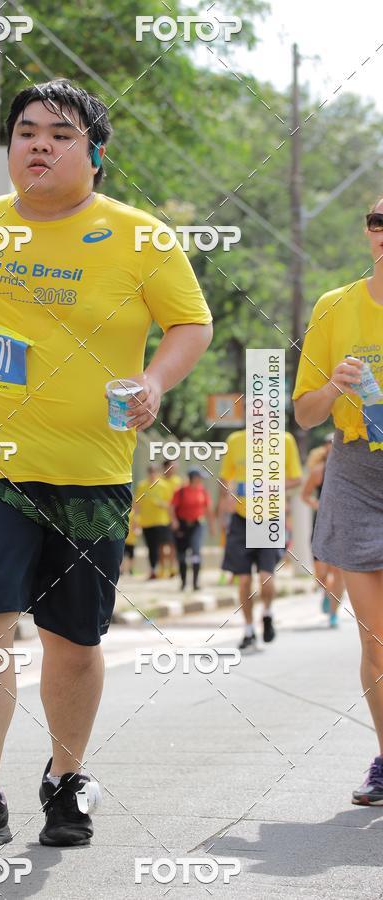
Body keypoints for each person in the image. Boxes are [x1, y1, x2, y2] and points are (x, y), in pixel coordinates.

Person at [0, 78, 212, 850]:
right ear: (9, 148)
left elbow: (191, 323)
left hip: (92, 468)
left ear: (95, 152)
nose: (39, 144)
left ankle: (64, 778)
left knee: (74, 640)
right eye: (25, 131)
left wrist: (155, 379)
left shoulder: (139, 235)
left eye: (60, 132)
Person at [293, 197, 383, 806]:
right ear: (367, 233)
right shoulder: (335, 306)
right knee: (375, 639)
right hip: (355, 471)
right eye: (378, 221)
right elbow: (303, 413)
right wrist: (333, 384)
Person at [218, 427, 303, 650]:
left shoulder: (285, 440)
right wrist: (226, 495)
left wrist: (271, 486)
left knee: (266, 578)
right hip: (241, 518)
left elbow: (296, 478)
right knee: (244, 579)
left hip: (269, 518)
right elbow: (225, 477)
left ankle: (266, 613)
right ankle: (248, 630)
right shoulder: (235, 439)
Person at [301, 434, 344, 627]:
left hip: (343, 528)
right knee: (321, 575)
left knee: (339, 573)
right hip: (322, 527)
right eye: (330, 444)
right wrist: (318, 505)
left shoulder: (349, 472)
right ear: (325, 448)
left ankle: (334, 613)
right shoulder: (319, 471)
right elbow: (304, 496)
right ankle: (327, 593)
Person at [171, 468, 215, 591]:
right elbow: (172, 507)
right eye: (199, 477)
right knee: (182, 555)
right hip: (182, 526)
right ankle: (183, 582)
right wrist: (174, 521)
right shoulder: (181, 491)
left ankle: (195, 583)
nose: (201, 480)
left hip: (197, 525)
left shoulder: (203, 491)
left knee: (196, 552)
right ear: (193, 478)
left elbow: (208, 509)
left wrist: (212, 526)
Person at [135, 464, 174, 580]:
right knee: (151, 547)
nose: (152, 474)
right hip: (146, 522)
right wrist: (136, 520)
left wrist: (161, 504)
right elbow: (137, 504)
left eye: (154, 472)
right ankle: (153, 570)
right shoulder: (142, 486)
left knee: (162, 546)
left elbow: (171, 504)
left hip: (161, 521)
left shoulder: (164, 486)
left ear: (157, 473)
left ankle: (165, 569)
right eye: (150, 472)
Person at [161, 459, 184, 576]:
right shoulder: (159, 482)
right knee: (162, 545)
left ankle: (172, 568)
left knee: (173, 544)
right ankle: (163, 568)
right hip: (161, 518)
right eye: (171, 467)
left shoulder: (178, 481)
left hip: (176, 518)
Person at [121, 506, 139, 576]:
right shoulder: (126, 513)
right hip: (126, 538)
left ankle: (130, 570)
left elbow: (136, 525)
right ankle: (123, 570)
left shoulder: (132, 514)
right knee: (125, 555)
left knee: (130, 555)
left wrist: (137, 531)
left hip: (130, 538)